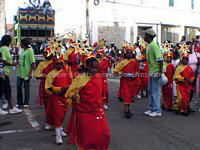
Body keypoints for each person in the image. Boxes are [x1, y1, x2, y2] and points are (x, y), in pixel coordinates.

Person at [65, 54, 110, 150]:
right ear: (87, 67)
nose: (94, 70)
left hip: (98, 111)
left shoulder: (99, 77)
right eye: (92, 67)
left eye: (96, 68)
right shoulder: (79, 79)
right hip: (84, 112)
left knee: (104, 134)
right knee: (86, 138)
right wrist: (73, 96)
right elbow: (69, 92)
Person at [45, 57, 72, 145]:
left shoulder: (66, 73)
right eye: (57, 64)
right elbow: (48, 88)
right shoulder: (51, 74)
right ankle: (58, 135)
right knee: (57, 115)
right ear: (54, 64)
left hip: (64, 97)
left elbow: (71, 83)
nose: (59, 65)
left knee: (63, 114)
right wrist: (59, 89)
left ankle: (60, 128)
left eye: (61, 63)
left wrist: (68, 89)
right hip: (55, 97)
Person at [113, 49, 141, 118]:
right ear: (126, 54)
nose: (129, 54)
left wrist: (136, 73)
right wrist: (122, 73)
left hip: (132, 81)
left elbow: (137, 70)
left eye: (130, 53)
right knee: (126, 95)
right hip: (125, 81)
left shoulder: (134, 62)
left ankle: (127, 108)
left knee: (130, 96)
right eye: (128, 53)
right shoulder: (123, 62)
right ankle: (126, 111)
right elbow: (115, 70)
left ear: (132, 54)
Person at [143, 28, 163, 117]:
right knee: (151, 91)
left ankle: (157, 110)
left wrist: (160, 72)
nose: (144, 37)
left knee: (156, 92)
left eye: (145, 35)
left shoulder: (154, 46)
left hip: (156, 71)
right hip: (152, 71)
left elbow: (160, 59)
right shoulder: (150, 45)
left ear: (148, 36)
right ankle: (151, 108)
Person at [0, 35, 22, 114]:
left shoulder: (2, 48)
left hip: (3, 73)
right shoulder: (5, 49)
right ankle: (11, 108)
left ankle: (10, 107)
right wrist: (13, 63)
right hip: (4, 73)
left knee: (4, 91)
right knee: (7, 91)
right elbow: (4, 61)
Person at [34, 48, 54, 129]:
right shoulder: (42, 64)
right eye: (44, 53)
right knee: (48, 105)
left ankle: (57, 123)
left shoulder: (56, 62)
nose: (45, 55)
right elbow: (37, 74)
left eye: (47, 53)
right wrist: (45, 76)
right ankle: (49, 122)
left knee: (57, 106)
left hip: (55, 86)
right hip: (46, 86)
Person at [17, 38, 35, 109]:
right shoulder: (22, 50)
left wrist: (30, 73)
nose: (20, 45)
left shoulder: (30, 50)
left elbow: (32, 62)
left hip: (26, 72)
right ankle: (19, 102)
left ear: (24, 44)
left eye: (21, 43)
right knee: (18, 87)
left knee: (26, 88)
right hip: (20, 72)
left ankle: (26, 102)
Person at [186, 41, 198, 113]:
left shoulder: (195, 53)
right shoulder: (185, 54)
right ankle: (186, 106)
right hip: (187, 75)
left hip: (194, 74)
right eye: (188, 46)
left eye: (191, 46)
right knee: (187, 90)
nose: (190, 47)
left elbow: (198, 63)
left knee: (192, 90)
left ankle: (189, 105)